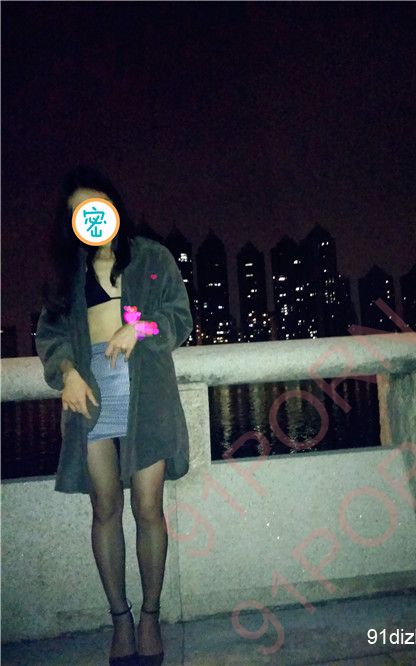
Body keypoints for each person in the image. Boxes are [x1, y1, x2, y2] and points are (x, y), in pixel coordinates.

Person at [35, 165, 193, 666]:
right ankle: (120, 619)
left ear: (113, 204)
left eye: (96, 205)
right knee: (104, 508)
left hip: (148, 394)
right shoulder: (68, 274)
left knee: (148, 508)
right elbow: (50, 336)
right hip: (91, 395)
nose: (91, 217)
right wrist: (66, 372)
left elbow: (180, 318)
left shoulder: (152, 257)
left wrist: (139, 328)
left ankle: (150, 616)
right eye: (79, 211)